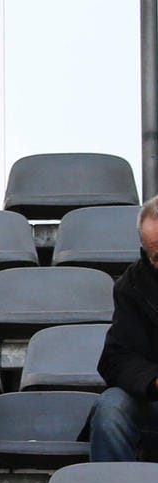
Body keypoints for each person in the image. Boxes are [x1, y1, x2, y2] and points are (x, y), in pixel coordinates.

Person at [90, 196, 158, 460]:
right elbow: (117, 358)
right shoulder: (132, 285)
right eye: (155, 256)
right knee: (111, 407)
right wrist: (153, 380)